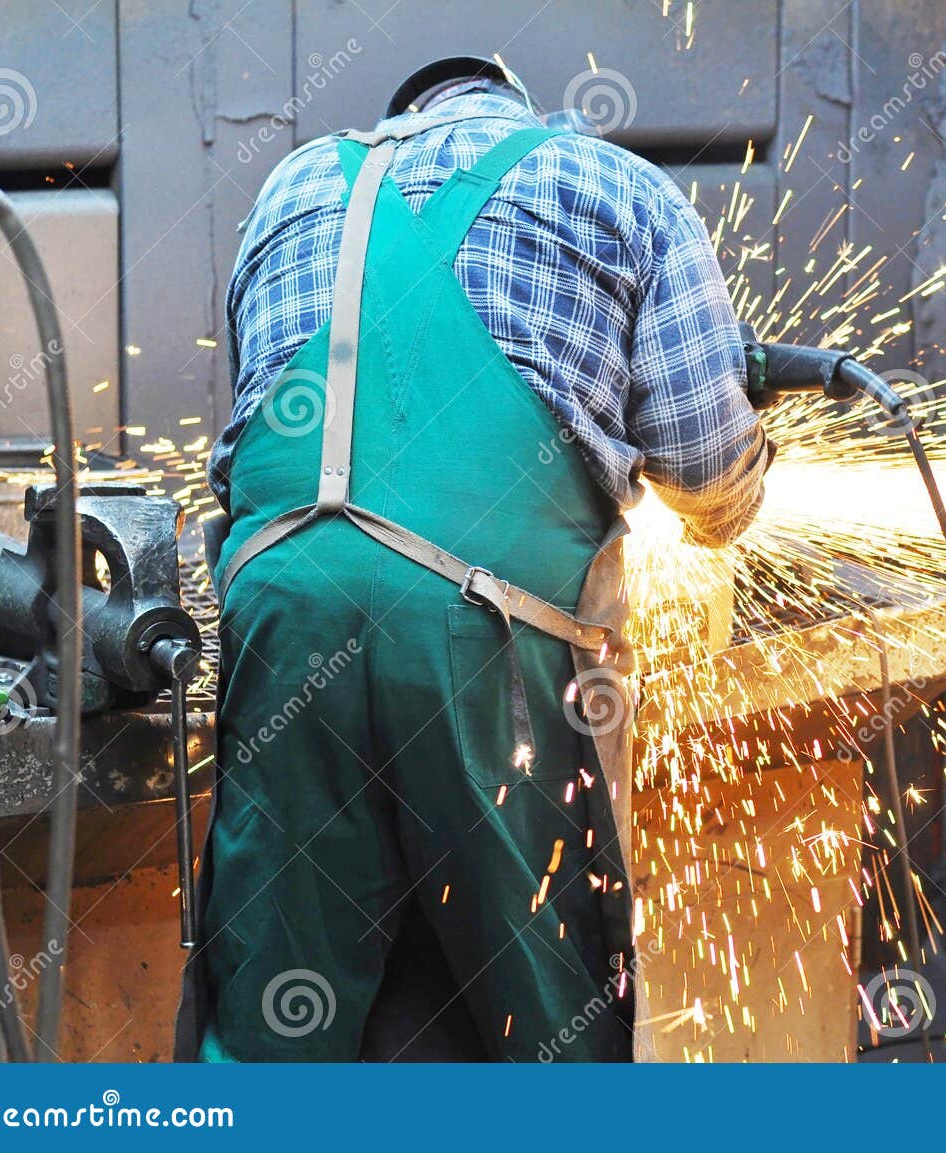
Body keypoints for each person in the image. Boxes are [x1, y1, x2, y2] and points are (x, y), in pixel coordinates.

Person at [176, 55, 770, 1061]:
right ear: (518, 109)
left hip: (284, 620)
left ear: (402, 116)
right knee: (541, 1005)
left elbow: (254, 453)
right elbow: (706, 472)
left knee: (278, 1005)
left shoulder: (293, 187)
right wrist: (742, 474)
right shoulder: (615, 183)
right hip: (489, 643)